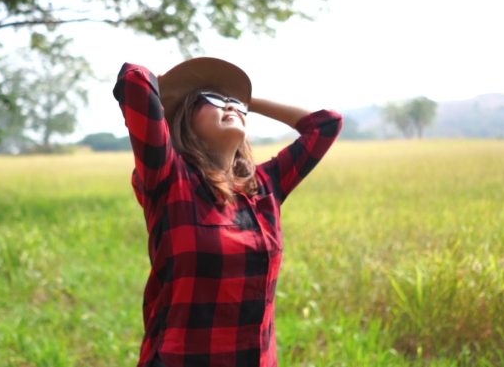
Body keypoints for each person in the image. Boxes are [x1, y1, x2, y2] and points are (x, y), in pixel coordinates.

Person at [112, 57, 343, 367]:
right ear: (186, 118)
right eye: (214, 100)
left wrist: (245, 100)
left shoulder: (265, 185)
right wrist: (176, 87)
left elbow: (325, 124)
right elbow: (134, 79)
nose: (231, 106)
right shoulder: (170, 180)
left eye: (236, 104)